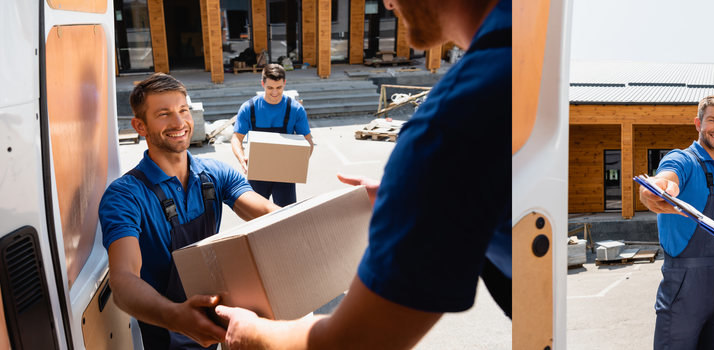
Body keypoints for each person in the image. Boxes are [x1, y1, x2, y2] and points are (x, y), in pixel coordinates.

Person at [213, 0, 511, 348]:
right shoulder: (525, 52)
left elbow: (354, 341)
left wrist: (248, 331)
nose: (385, 3)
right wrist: (413, 192)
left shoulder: (451, 123)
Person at [98, 73, 280, 349]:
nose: (179, 122)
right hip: (165, 328)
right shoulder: (124, 196)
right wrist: (176, 317)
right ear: (140, 126)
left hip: (212, 315)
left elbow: (266, 210)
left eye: (184, 110)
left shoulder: (215, 173)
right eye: (164, 114)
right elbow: (123, 280)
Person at [639, 94, 714, 350]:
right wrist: (656, 188)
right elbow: (664, 179)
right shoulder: (683, 160)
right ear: (698, 123)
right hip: (684, 285)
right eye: (712, 120)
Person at [230, 63, 314, 207]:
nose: (274, 92)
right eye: (270, 88)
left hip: (285, 174)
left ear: (284, 84)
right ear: (262, 84)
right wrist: (242, 158)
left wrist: (299, 162)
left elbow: (308, 142)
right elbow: (236, 138)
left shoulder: (295, 109)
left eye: (279, 88)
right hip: (257, 172)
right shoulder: (249, 108)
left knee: (285, 216)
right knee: (256, 216)